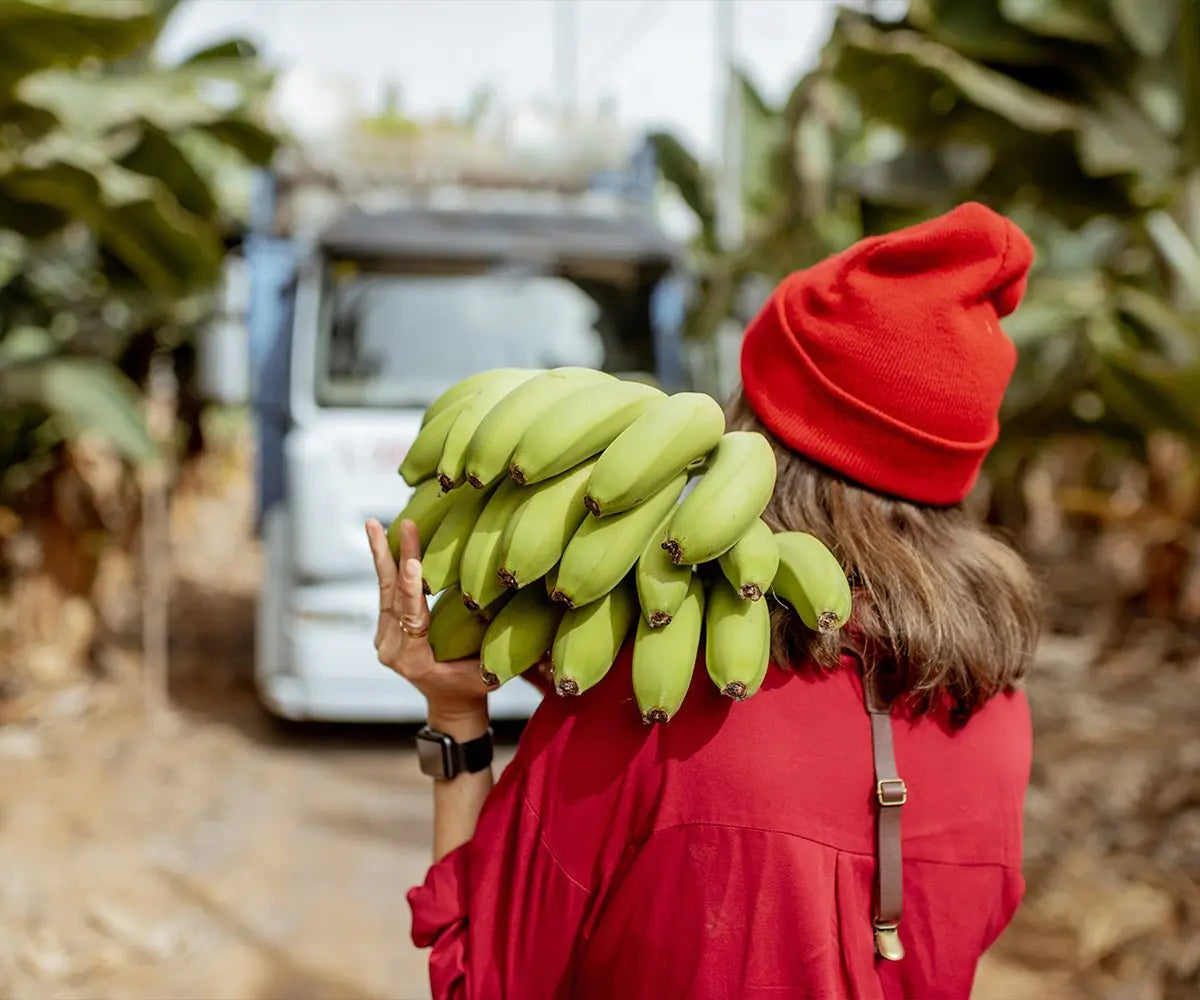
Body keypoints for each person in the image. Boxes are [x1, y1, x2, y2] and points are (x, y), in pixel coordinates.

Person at [364, 202, 1040, 1000]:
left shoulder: (653, 697)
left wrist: (456, 724)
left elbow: (486, 980)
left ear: (755, 432)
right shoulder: (995, 713)